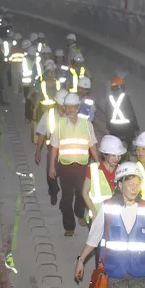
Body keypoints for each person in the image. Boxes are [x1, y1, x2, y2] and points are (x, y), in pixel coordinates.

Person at [49, 92, 99, 236]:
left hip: (82, 166)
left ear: (78, 107)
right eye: (67, 107)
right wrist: (51, 166)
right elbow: (54, 147)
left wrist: (98, 163)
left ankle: (79, 212)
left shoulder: (87, 125)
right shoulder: (60, 125)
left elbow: (92, 145)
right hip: (65, 168)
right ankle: (69, 226)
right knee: (66, 198)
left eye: (72, 107)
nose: (69, 109)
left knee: (83, 194)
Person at [81, 134, 124, 223]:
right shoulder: (93, 169)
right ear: (105, 154)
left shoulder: (122, 170)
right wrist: (94, 212)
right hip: (97, 216)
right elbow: (85, 192)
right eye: (113, 155)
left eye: (119, 155)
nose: (117, 159)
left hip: (117, 217)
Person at [33, 98, 61, 206]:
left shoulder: (72, 115)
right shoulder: (49, 114)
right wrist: (38, 150)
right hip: (52, 147)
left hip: (67, 149)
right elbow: (42, 132)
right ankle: (53, 192)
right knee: (51, 171)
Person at [102, 76, 138, 147]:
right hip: (127, 129)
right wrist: (136, 128)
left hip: (114, 129)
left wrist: (109, 127)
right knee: (129, 145)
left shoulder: (109, 99)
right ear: (122, 87)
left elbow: (107, 114)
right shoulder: (125, 97)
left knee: (114, 147)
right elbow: (131, 113)